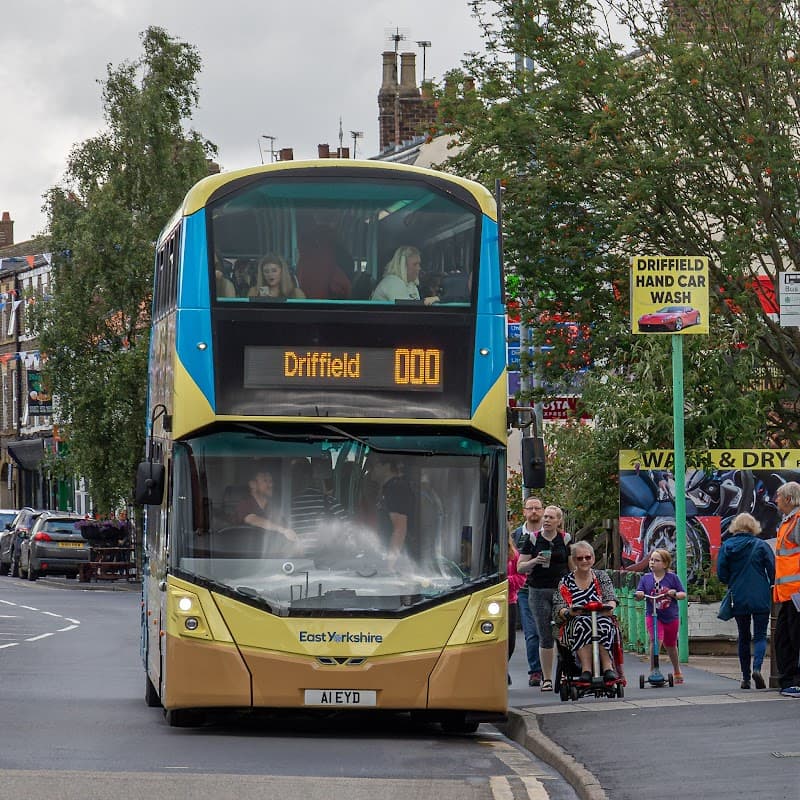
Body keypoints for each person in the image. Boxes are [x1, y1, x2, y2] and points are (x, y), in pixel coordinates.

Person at [716, 513, 775, 689]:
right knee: (760, 636)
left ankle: (746, 678)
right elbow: (773, 570)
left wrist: (733, 581)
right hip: (760, 596)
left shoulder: (727, 546)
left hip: (738, 596)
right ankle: (757, 668)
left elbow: (721, 574)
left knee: (743, 636)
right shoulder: (761, 545)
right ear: (753, 527)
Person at [518, 505, 571, 692]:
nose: (546, 520)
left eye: (550, 517)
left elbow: (572, 565)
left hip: (560, 590)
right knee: (545, 634)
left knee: (563, 631)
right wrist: (535, 561)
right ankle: (547, 678)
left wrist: (575, 587)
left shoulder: (565, 539)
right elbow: (520, 567)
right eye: (545, 517)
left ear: (559, 521)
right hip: (538, 590)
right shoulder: (533, 539)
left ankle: (565, 673)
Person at [552, 540, 619, 683]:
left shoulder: (601, 576)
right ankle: (586, 669)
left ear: (593, 558)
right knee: (582, 624)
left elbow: (611, 598)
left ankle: (607, 667)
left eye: (587, 557)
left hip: (600, 616)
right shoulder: (566, 581)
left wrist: (610, 607)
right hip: (575, 620)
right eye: (580, 558)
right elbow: (559, 607)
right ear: (574, 560)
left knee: (604, 624)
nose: (584, 561)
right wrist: (569, 612)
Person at [634, 548, 687, 684]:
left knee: (671, 645)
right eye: (651, 560)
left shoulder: (672, 578)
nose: (652, 562)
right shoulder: (645, 579)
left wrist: (674, 594)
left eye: (656, 560)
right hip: (653, 615)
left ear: (665, 564)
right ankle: (654, 670)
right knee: (655, 640)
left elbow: (683, 594)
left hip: (670, 616)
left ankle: (676, 669)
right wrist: (639, 594)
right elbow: (639, 593)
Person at [511, 497, 544, 687]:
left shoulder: (551, 534)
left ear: (542, 511)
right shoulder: (515, 536)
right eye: (530, 508)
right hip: (524, 589)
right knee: (531, 632)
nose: (534, 511)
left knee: (553, 631)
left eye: (537, 508)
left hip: (547, 587)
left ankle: (562, 671)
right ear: (524, 511)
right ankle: (535, 671)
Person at [772, 481, 800, 697]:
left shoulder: (797, 521)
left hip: (796, 593)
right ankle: (789, 681)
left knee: (793, 638)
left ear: (789, 499)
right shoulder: (788, 521)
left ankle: (795, 682)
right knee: (784, 638)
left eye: (779, 496)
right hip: (788, 593)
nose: (776, 500)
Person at [289, 459, 347, 551]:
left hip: (289, 558)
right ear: (312, 477)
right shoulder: (330, 502)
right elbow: (348, 531)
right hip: (327, 558)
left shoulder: (284, 505)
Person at [234, 469, 298, 549]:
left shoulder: (273, 508)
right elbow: (253, 520)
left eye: (271, 481)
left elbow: (285, 527)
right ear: (253, 484)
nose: (271, 485)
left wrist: (296, 542)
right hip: (245, 552)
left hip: (270, 553)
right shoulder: (245, 503)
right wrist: (281, 530)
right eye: (265, 480)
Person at [370, 455, 416, 566]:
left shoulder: (396, 488)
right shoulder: (388, 488)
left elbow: (400, 529)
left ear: (387, 466)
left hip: (399, 562)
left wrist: (390, 564)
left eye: (373, 465)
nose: (370, 469)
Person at [371, 246, 440, 305]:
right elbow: (406, 308)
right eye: (415, 264)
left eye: (419, 264)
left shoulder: (411, 285)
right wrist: (434, 299)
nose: (419, 268)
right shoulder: (392, 282)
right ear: (402, 266)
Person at [507, 528, 527, 686]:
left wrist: (505, 581)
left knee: (510, 640)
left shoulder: (513, 554)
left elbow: (521, 578)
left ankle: (503, 665)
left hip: (508, 601)